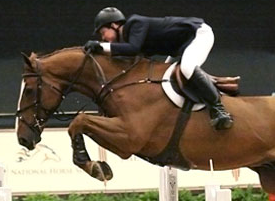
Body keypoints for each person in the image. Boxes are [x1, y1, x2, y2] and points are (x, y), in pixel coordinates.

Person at [85, 7, 233, 130]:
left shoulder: (135, 23)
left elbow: (133, 49)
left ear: (114, 25)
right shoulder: (130, 37)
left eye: (103, 33)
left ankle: (219, 109)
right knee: (166, 79)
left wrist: (101, 47)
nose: (103, 38)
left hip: (198, 34)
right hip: (180, 47)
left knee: (187, 68)